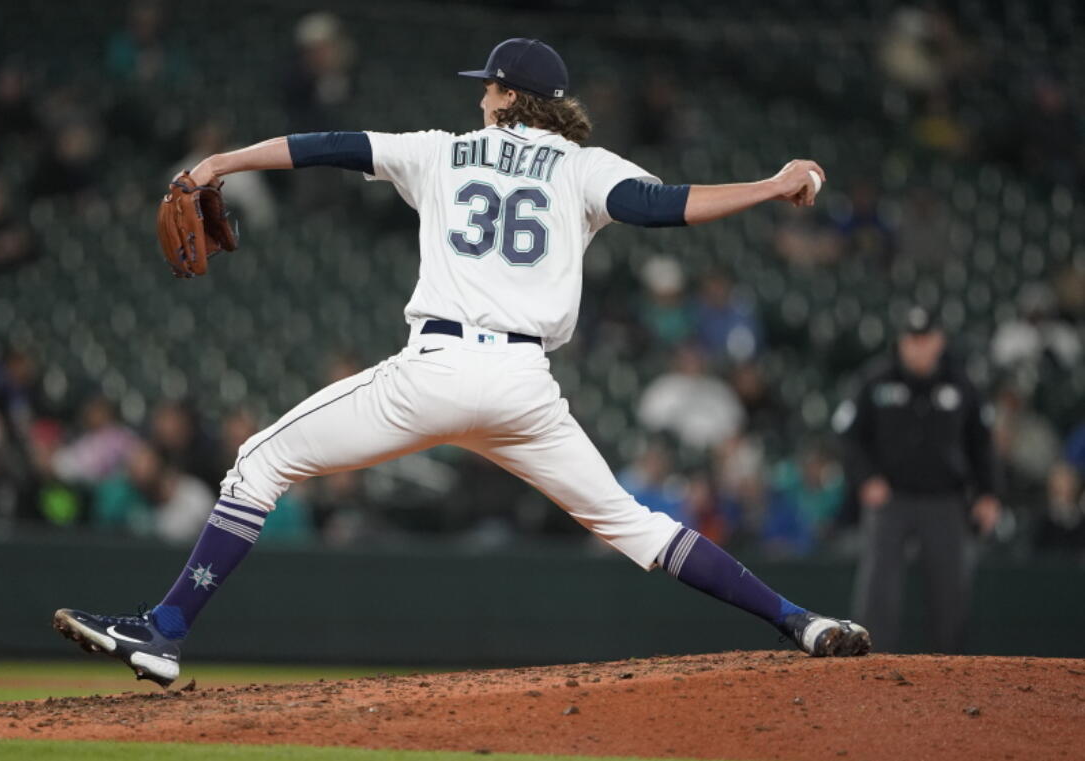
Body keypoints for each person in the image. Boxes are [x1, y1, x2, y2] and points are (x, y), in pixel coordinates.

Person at [54, 38, 870, 686]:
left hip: (437, 369)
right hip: (523, 389)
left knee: (259, 461)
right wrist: (772, 182)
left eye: (490, 84)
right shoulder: (586, 167)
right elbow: (667, 208)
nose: (480, 93)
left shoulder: (440, 150)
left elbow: (323, 147)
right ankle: (799, 618)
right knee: (640, 528)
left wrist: (216, 165)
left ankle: (162, 632)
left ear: (512, 96)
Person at [835, 307, 1001, 653]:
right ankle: (869, 667)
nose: (919, 347)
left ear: (939, 341)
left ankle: (950, 670)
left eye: (925, 339)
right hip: (891, 500)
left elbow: (981, 443)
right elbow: (849, 437)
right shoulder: (876, 380)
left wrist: (988, 493)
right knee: (879, 590)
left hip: (945, 500)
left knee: (950, 591)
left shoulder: (961, 383)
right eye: (912, 339)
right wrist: (866, 479)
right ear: (902, 341)